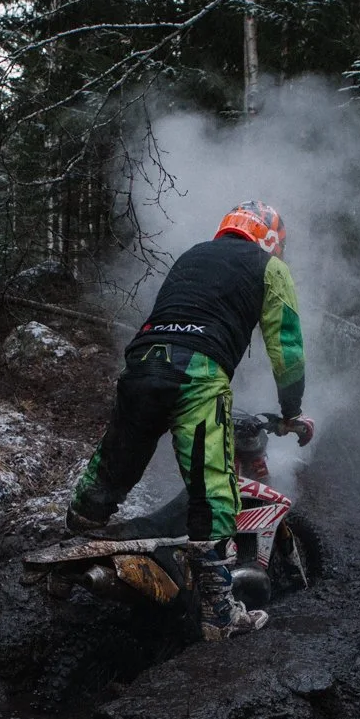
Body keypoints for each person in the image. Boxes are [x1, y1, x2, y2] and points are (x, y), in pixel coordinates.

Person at [67, 201, 316, 640]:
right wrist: (292, 411)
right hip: (197, 374)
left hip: (142, 364)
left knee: (115, 464)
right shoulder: (270, 267)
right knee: (213, 491)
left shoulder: (193, 254)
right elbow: (287, 348)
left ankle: (75, 534)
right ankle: (220, 614)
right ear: (272, 238)